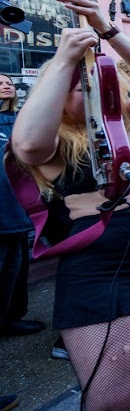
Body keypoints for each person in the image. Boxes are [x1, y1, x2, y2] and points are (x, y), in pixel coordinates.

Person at [11, 0, 130, 411]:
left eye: (93, 77)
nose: (89, 86)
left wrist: (106, 27)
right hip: (103, 261)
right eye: (77, 83)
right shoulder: (52, 142)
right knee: (112, 396)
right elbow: (27, 147)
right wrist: (63, 58)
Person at [0, 73, 45, 338]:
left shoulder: (20, 121)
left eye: (8, 82)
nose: (6, 85)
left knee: (15, 270)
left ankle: (9, 319)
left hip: (18, 209)